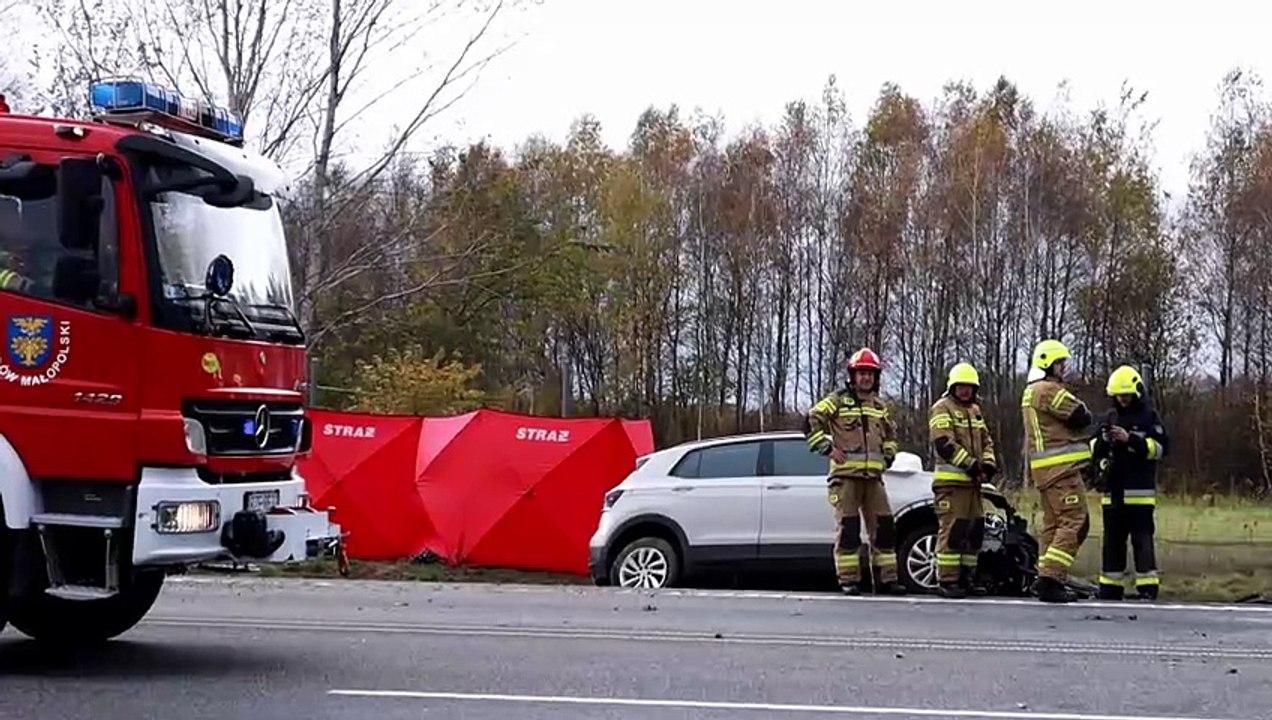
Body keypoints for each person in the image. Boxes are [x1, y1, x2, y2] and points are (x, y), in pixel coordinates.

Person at [805, 347, 906, 596]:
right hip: (846, 478)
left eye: (870, 374)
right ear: (853, 375)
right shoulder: (838, 400)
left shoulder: (880, 405)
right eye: (861, 373)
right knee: (849, 530)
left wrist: (888, 455)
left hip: (873, 480)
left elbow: (891, 435)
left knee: (884, 529)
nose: (866, 378)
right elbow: (810, 420)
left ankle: (887, 580)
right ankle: (849, 580)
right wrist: (826, 448)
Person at [1021, 339, 1094, 603]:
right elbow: (1080, 416)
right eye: (1060, 363)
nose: (1064, 368)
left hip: (1044, 472)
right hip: (1061, 471)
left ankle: (1047, 576)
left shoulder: (1031, 391)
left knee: (1052, 525)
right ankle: (1051, 578)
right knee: (1075, 521)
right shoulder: (1048, 390)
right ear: (1047, 364)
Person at [1090, 365, 1169, 600]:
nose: (1122, 400)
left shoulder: (1149, 418)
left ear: (1136, 393)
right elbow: (1092, 449)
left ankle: (1147, 587)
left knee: (1142, 540)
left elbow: (1161, 448)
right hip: (1113, 493)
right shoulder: (1109, 418)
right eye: (1118, 396)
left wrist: (1130, 439)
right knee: (1112, 542)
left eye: (1125, 396)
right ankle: (1110, 587)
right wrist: (1104, 441)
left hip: (1140, 493)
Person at [928, 362, 997, 598]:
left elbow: (987, 441)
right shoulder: (941, 408)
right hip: (951, 484)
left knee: (974, 531)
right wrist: (971, 464)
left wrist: (988, 464)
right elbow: (944, 443)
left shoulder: (975, 411)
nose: (966, 391)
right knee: (953, 531)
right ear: (953, 386)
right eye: (962, 387)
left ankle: (968, 577)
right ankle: (947, 580)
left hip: (973, 484)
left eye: (970, 387)